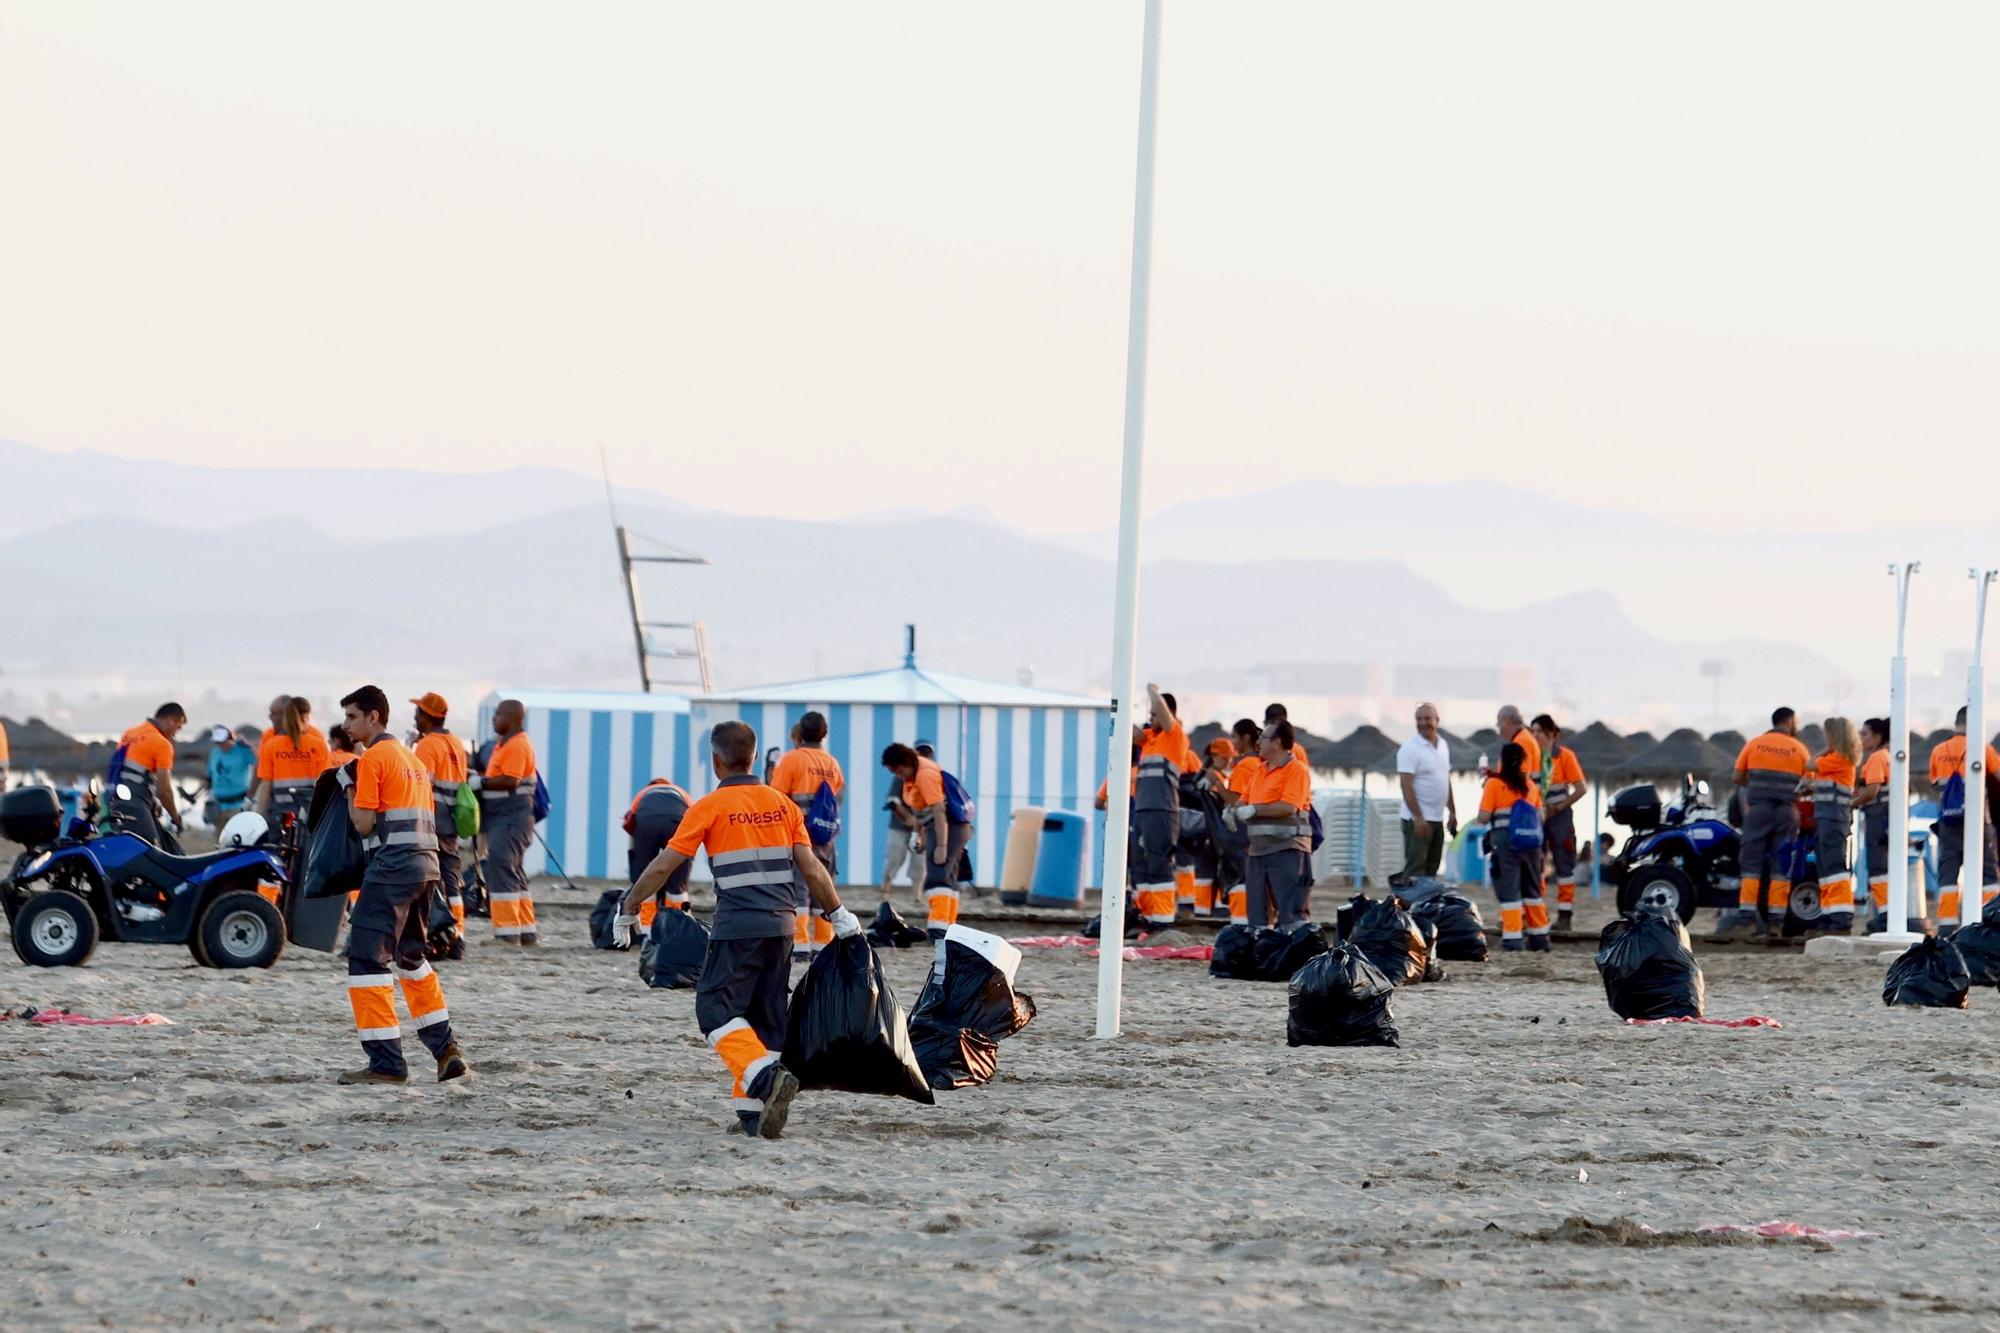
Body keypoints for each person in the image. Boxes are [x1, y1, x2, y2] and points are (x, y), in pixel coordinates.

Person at [613, 720, 857, 1139]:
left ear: (715, 761)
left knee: (715, 1010)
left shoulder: (708, 807)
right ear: (756, 758)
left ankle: (765, 1080)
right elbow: (813, 869)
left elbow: (663, 865)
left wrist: (630, 906)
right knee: (766, 1018)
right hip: (782, 927)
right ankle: (753, 1114)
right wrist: (839, 914)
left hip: (737, 926)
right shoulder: (782, 805)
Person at [333, 685, 470, 1086]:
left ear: (374, 717)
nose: (346, 726)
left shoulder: (373, 758)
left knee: (366, 960)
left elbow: (363, 824)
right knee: (411, 958)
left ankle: (386, 1064)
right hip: (426, 867)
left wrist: (347, 784)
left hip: (392, 867)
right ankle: (446, 1050)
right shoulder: (411, 756)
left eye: (352, 717)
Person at [880, 741, 972, 942]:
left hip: (949, 827)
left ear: (903, 764)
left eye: (896, 770)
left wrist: (941, 845)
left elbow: (939, 811)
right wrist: (920, 834)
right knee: (949, 879)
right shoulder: (913, 774)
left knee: (938, 877)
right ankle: (948, 929)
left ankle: (939, 929)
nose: (896, 775)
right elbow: (921, 812)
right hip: (942, 828)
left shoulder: (925, 775)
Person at [770, 710, 844, 958]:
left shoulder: (791, 760)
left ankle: (800, 943)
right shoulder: (831, 763)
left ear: (800, 733)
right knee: (824, 885)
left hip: (798, 833)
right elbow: (838, 797)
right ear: (825, 734)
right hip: (826, 835)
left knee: (798, 887)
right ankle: (824, 942)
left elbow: (776, 798)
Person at [1731, 708, 1810, 935]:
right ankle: (1776, 922)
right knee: (1782, 866)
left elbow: (1737, 777)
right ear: (1791, 721)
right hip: (1787, 812)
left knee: (1751, 866)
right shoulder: (1800, 749)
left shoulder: (1754, 744)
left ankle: (1746, 920)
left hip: (1758, 811)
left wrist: (1757, 785)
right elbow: (1808, 783)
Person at [1232, 719, 1313, 930]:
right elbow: (1244, 799)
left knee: (1290, 912)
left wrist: (1255, 810)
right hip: (1258, 852)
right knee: (1258, 913)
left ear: (1276, 742)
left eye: (1263, 738)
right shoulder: (1260, 770)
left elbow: (1288, 807)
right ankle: (1262, 955)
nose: (1258, 741)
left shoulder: (1297, 770)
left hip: (1287, 850)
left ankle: (1296, 957)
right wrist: (1235, 810)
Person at [409, 693, 470, 957]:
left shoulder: (428, 745)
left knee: (428, 880)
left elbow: (419, 783)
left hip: (431, 822)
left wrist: (411, 748)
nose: (415, 717)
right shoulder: (456, 743)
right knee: (451, 881)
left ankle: (439, 935)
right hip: (451, 823)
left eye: (418, 713)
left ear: (428, 716)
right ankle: (458, 936)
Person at [1929, 705, 2000, 929]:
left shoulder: (1938, 750)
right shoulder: (1983, 748)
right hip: (1978, 821)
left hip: (1949, 822)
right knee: (1988, 873)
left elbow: (1934, 785)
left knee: (1948, 875)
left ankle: (1947, 926)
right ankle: (1989, 922)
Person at [477, 698, 540, 946]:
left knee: (501, 866)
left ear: (512, 717)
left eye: (497, 714)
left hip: (511, 817)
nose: (494, 719)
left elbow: (510, 780)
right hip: (507, 817)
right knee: (513, 870)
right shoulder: (504, 745)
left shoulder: (516, 745)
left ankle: (506, 934)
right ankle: (525, 930)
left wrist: (479, 783)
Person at [1474, 741, 1547, 951]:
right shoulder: (1531, 786)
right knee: (1532, 890)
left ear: (1502, 761)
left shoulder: (1494, 784)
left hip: (1505, 842)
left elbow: (1483, 817)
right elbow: (1541, 816)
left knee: (1509, 890)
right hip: (1532, 844)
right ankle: (1540, 937)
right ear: (1524, 762)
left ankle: (1514, 939)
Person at [1131, 683, 1189, 933]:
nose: (1149, 718)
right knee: (1142, 865)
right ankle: (1148, 915)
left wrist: (1152, 693)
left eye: (1153, 714)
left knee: (1160, 864)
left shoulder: (1174, 737)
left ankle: (1163, 920)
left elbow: (1164, 717)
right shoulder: (1150, 742)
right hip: (1144, 811)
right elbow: (1130, 731)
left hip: (1162, 811)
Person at [1531, 714, 1588, 930]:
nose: (1535, 735)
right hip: (1535, 817)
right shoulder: (1530, 757)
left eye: (1540, 732)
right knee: (1535, 864)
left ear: (1552, 734)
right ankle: (1537, 913)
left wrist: (1558, 807)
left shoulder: (1564, 756)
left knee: (1564, 864)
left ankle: (1565, 915)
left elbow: (1581, 789)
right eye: (1533, 731)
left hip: (1560, 816)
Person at [1394, 703, 1457, 886]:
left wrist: (1452, 811)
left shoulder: (1443, 745)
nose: (1423, 723)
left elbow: (1445, 780)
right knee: (1415, 871)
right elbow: (1406, 785)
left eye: (1427, 718)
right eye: (1419, 719)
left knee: (1432, 871)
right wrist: (1418, 818)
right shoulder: (1410, 748)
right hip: (1418, 820)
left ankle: (1425, 909)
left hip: (1437, 818)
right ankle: (1408, 911)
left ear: (1437, 721)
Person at [109, 702, 186, 849]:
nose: (177, 732)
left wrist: (152, 800)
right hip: (135, 806)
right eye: (178, 726)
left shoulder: (129, 733)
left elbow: (126, 773)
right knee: (153, 854)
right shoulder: (162, 743)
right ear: (170, 720)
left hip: (115, 802)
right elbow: (165, 793)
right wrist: (176, 818)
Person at [1809, 717, 1859, 933]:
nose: (1825, 738)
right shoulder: (1836, 759)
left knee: (1835, 868)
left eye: (1828, 735)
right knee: (1826, 869)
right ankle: (1830, 914)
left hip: (1834, 819)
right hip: (1826, 818)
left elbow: (1809, 763)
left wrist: (1825, 749)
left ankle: (1841, 917)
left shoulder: (1840, 758)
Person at [625, 775, 693, 929]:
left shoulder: (643, 794)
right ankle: (681, 927)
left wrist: (636, 862)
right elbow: (693, 819)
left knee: (645, 880)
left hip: (646, 823)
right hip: (677, 822)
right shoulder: (682, 793)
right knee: (678, 886)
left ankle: (646, 928)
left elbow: (631, 826)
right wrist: (686, 860)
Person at [253, 696, 330, 830]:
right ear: (306, 717)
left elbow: (265, 789)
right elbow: (324, 784)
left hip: (280, 814)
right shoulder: (318, 745)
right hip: (310, 814)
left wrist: (258, 819)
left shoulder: (271, 745)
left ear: (285, 717)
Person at [1221, 719, 1265, 925]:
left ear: (1245, 738)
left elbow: (1234, 799)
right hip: (1257, 832)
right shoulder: (1261, 765)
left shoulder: (1245, 765)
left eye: (1234, 737)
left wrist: (1215, 781)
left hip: (1241, 832)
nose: (1232, 743)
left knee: (1239, 880)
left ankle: (1239, 924)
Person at [1854, 717, 1893, 931]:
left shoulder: (1878, 757)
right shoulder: (1887, 756)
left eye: (1864, 734)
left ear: (1878, 737)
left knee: (1877, 868)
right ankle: (1886, 912)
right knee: (1882, 867)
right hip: (1884, 817)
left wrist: (1852, 803)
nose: (1861, 738)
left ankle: (1886, 913)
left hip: (1877, 815)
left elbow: (1872, 791)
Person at [206, 725, 257, 827]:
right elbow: (210, 775)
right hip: (218, 804)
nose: (220, 745)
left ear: (230, 739)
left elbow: (260, 764)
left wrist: (250, 747)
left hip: (238, 804)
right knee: (220, 838)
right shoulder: (214, 752)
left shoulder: (243, 751)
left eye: (222, 741)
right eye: (217, 742)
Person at [881, 789, 922, 903]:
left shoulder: (928, 778)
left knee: (919, 861)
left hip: (922, 827)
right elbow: (893, 800)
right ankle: (886, 888)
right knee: (894, 857)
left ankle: (917, 891)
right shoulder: (903, 776)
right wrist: (907, 816)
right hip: (899, 825)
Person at [1496, 706, 1542, 789]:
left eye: (1499, 722)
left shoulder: (1522, 742)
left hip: (1523, 799)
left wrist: (1494, 783)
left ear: (1508, 722)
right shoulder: (1523, 738)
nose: (1497, 725)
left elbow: (1520, 778)